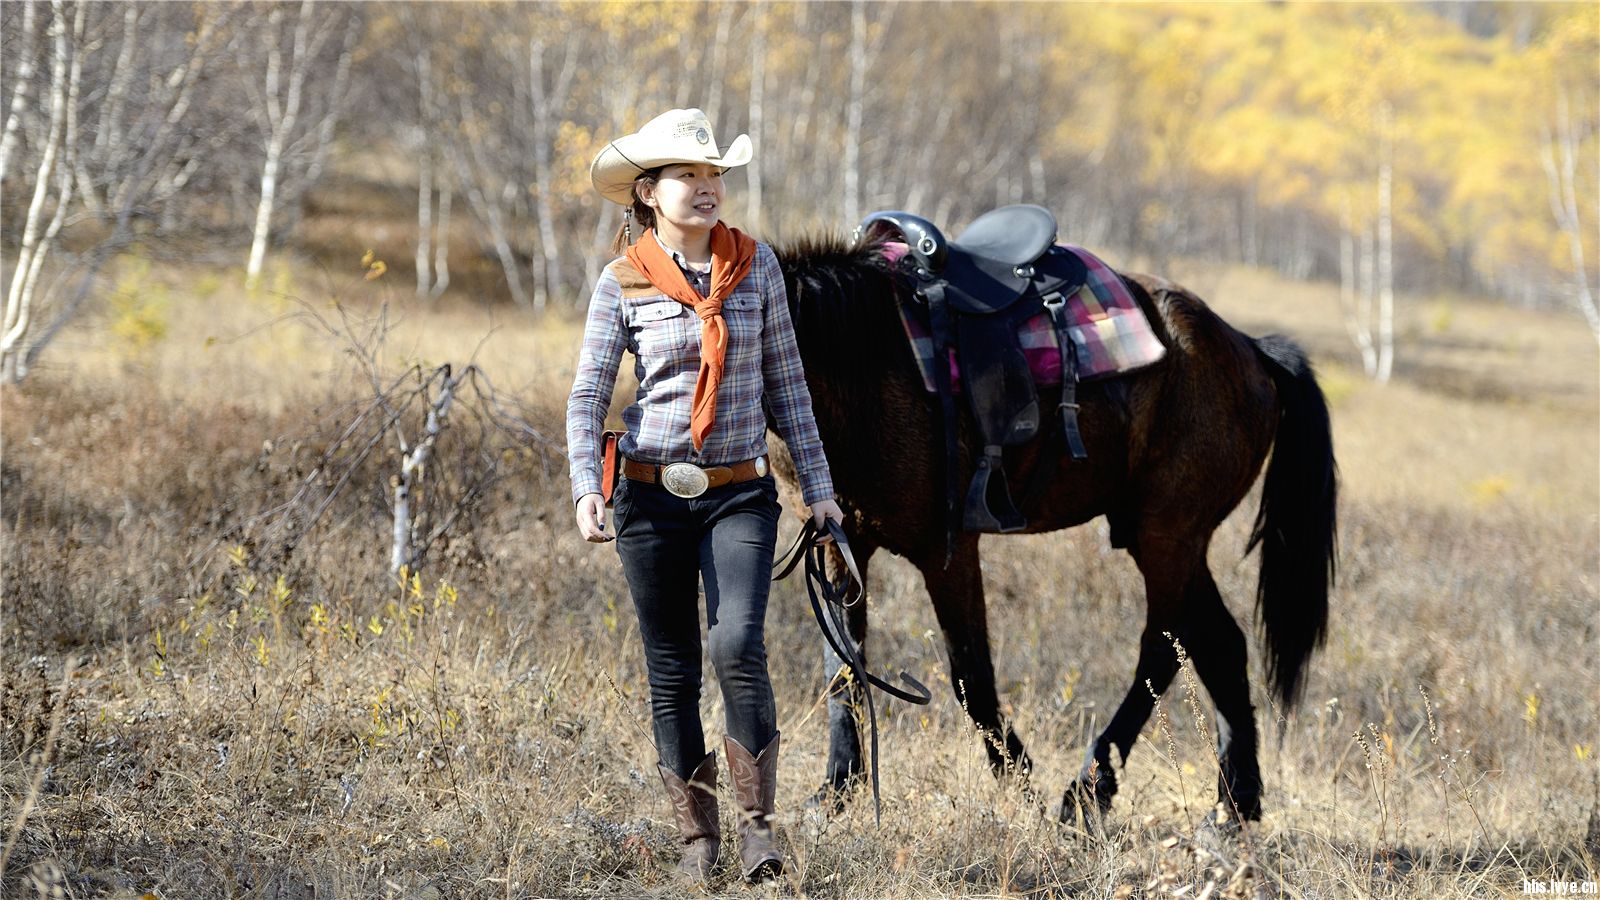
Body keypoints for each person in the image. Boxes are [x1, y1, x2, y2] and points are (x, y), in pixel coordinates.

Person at [566, 108, 842, 884]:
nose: (707, 188)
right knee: (672, 666)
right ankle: (698, 839)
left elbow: (789, 390)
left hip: (739, 495)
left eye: (715, 175)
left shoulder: (758, 270)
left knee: (735, 646)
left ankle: (758, 831)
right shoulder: (620, 280)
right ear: (649, 193)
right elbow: (589, 395)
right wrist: (589, 484)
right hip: (649, 498)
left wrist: (819, 493)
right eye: (689, 175)